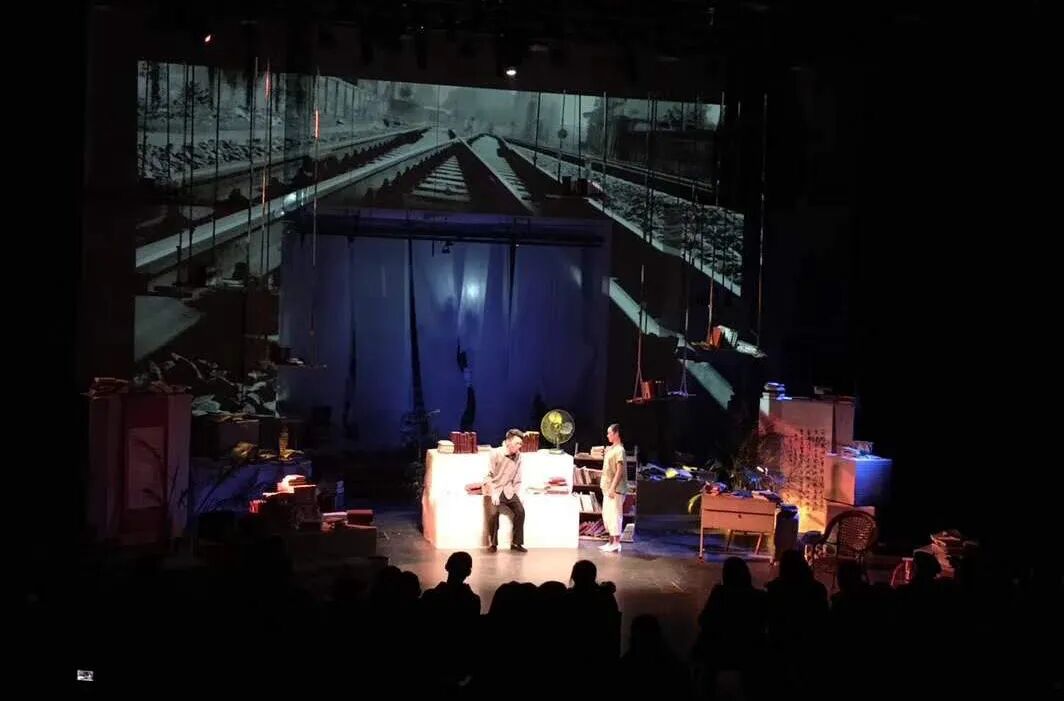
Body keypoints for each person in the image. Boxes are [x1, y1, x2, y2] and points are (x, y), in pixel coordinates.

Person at [485, 428, 526, 552]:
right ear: (508, 442)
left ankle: (516, 543)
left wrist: (517, 494)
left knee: (520, 511)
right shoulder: (495, 453)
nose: (519, 446)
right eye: (517, 443)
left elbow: (517, 478)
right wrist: (493, 493)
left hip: (509, 490)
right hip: (495, 489)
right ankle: (493, 544)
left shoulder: (519, 456)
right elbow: (488, 476)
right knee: (493, 514)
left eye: (520, 444)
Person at [599, 423, 628, 553]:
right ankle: (610, 541)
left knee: (615, 515)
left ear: (616, 434)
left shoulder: (620, 450)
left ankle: (616, 543)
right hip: (607, 487)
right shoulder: (611, 449)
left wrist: (612, 487)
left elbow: (619, 471)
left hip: (615, 489)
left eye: (610, 433)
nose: (608, 435)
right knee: (608, 515)